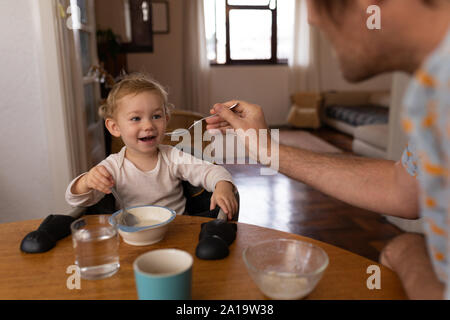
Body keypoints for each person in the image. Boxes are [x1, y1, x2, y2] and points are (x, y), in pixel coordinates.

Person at [206, 0, 450, 299]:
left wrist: (410, 258)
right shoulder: (433, 90)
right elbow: (404, 188)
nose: (310, 17)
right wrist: (266, 149)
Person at [66, 73, 238, 220]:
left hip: (177, 232)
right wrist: (87, 181)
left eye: (156, 116)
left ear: (166, 119)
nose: (148, 125)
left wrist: (222, 186)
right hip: (132, 238)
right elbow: (75, 199)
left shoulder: (173, 157)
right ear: (114, 127)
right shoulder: (112, 167)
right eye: (136, 118)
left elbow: (213, 171)